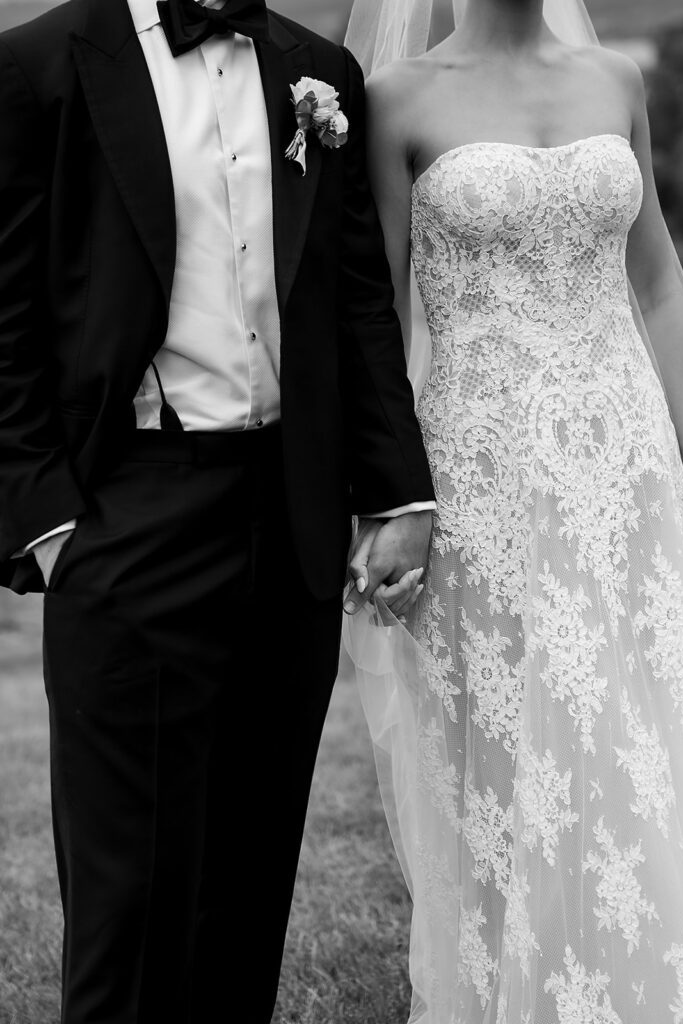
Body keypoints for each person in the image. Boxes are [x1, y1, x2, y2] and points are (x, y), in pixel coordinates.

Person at [0, 0, 436, 1019]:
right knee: (128, 900)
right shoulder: (36, 67)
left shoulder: (317, 68)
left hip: (290, 517)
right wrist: (51, 527)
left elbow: (355, 297)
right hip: (129, 511)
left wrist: (397, 490)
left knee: (247, 889)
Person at [343, 0, 683, 1020]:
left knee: (644, 731)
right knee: (510, 755)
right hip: (480, 478)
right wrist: (385, 502)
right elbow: (378, 311)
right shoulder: (399, 97)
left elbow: (659, 278)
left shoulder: (616, 79)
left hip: (628, 470)